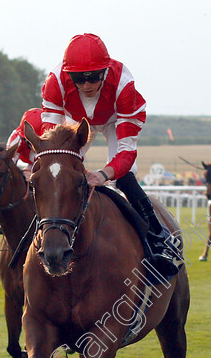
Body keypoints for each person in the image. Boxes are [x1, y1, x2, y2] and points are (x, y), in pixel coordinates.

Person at [40, 33, 180, 278]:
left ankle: (159, 240)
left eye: (93, 77)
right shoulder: (55, 81)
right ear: (67, 74)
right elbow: (48, 139)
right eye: (78, 78)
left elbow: (125, 152)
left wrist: (103, 175)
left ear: (105, 72)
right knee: (57, 173)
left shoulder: (123, 85)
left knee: (123, 179)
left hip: (117, 121)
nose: (85, 85)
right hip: (77, 122)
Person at [6, 108, 44, 172]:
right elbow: (8, 164)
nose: (33, 144)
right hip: (28, 162)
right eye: (29, 140)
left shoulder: (52, 137)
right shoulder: (16, 139)